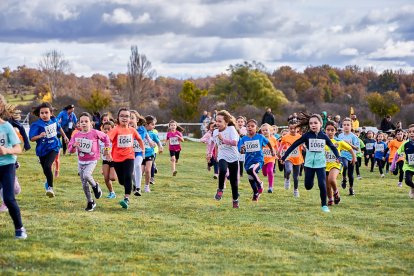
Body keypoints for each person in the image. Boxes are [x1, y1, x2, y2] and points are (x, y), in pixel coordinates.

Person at [281, 113, 340, 213]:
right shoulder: (307, 136)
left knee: (322, 184)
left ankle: (324, 205)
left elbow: (332, 147)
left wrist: (338, 157)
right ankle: (310, 182)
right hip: (308, 164)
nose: (313, 125)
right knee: (308, 186)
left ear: (320, 124)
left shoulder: (324, 136)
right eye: (311, 123)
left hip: (321, 164)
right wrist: (284, 156)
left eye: (315, 123)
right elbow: (294, 145)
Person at [68, 112, 110, 211]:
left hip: (92, 160)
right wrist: (74, 146)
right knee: (84, 183)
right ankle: (90, 202)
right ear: (78, 123)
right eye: (81, 121)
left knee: (87, 175)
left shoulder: (95, 133)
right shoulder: (76, 135)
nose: (84, 123)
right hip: (81, 161)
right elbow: (70, 149)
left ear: (91, 123)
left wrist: (107, 150)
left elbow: (106, 138)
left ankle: (95, 187)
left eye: (86, 121)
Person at [0, 94, 27, 239]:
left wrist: (6, 150)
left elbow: (18, 149)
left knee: (9, 198)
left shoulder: (7, 127)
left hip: (6, 166)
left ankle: (19, 228)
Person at [29, 103, 69, 197]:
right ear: (39, 114)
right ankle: (48, 180)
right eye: (42, 113)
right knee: (45, 170)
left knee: (48, 166)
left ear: (50, 113)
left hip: (54, 147)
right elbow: (31, 138)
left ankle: (50, 188)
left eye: (46, 112)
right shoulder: (36, 125)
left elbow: (59, 128)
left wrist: (65, 136)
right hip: (42, 150)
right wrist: (39, 136)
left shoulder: (54, 120)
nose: (44, 114)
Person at [107, 108, 144, 209]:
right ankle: (130, 184)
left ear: (130, 119)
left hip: (129, 156)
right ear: (118, 118)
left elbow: (140, 139)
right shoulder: (115, 130)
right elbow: (108, 140)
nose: (124, 118)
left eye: (127, 116)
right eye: (122, 116)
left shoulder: (132, 130)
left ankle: (126, 198)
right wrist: (107, 152)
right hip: (117, 159)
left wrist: (143, 150)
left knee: (128, 175)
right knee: (121, 181)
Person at [209, 110, 240, 208]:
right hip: (222, 155)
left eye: (220, 121)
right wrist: (210, 153)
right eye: (216, 121)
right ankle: (220, 189)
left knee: (234, 182)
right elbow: (214, 144)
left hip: (234, 157)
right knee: (222, 170)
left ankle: (235, 200)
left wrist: (223, 139)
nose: (217, 123)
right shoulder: (215, 132)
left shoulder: (231, 129)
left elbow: (235, 143)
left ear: (226, 122)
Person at [324, 122, 356, 206]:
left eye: (332, 130)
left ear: (335, 131)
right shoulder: (322, 141)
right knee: (327, 185)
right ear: (325, 130)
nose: (330, 132)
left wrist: (354, 157)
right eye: (328, 130)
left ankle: (336, 192)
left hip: (336, 164)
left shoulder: (339, 142)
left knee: (331, 179)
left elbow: (350, 148)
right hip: (324, 166)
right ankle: (330, 199)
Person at [279, 121, 304, 197]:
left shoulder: (300, 137)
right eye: (291, 128)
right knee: (289, 170)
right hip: (288, 157)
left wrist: (304, 147)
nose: (293, 130)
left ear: (298, 128)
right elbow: (281, 146)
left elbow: (303, 146)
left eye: (294, 128)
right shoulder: (285, 137)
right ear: (288, 128)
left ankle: (295, 190)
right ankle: (287, 178)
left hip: (298, 158)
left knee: (296, 177)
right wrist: (279, 152)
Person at [338, 117, 360, 195]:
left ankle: (351, 188)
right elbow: (338, 146)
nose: (346, 126)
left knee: (350, 174)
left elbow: (357, 148)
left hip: (351, 156)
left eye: (348, 125)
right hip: (343, 155)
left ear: (351, 126)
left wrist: (349, 144)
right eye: (344, 125)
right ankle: (344, 178)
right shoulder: (340, 136)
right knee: (345, 166)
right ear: (342, 126)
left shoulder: (354, 137)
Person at [142, 115, 163, 193]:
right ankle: (136, 186)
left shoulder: (152, 134)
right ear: (147, 124)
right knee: (140, 172)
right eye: (153, 124)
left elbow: (158, 141)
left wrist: (160, 147)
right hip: (141, 155)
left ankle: (147, 186)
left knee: (147, 170)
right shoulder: (140, 132)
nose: (154, 126)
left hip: (150, 154)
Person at [392, 124, 414, 198]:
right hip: (408, 166)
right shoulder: (405, 144)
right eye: (410, 132)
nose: (411, 133)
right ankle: (413, 187)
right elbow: (396, 154)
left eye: (413, 132)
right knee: (407, 181)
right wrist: (393, 165)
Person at [129, 110, 147, 197]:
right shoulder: (125, 130)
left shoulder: (142, 129)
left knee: (137, 165)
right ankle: (135, 184)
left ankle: (138, 188)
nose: (130, 120)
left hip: (139, 152)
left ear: (137, 120)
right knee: (131, 172)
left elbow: (142, 138)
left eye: (132, 118)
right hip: (128, 154)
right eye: (129, 118)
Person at [100, 121, 117, 198]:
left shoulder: (114, 139)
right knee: (106, 178)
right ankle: (112, 192)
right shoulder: (100, 139)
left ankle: (120, 172)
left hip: (114, 160)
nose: (106, 130)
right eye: (105, 129)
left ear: (113, 129)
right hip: (105, 160)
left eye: (108, 129)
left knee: (112, 178)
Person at [260, 123, 278, 193]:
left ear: (270, 130)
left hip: (271, 158)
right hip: (263, 159)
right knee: (264, 173)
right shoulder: (261, 138)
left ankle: (270, 187)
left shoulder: (273, 139)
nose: (265, 132)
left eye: (266, 130)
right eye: (263, 130)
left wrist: (277, 154)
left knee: (270, 170)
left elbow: (277, 148)